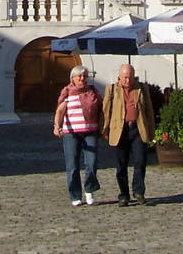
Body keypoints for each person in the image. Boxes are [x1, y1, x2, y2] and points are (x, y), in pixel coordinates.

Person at [101, 64, 155, 207]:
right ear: (119, 76)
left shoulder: (141, 88)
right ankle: (124, 195)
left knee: (140, 161)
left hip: (138, 129)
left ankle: (138, 192)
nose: (127, 80)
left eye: (130, 77)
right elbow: (106, 111)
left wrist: (151, 130)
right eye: (125, 78)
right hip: (120, 130)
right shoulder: (112, 89)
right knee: (121, 165)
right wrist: (104, 130)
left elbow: (149, 110)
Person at [54, 65, 102, 207]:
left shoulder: (92, 91)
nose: (82, 78)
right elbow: (60, 111)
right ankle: (75, 195)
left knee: (92, 163)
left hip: (90, 131)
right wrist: (57, 126)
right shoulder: (68, 92)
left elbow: (102, 108)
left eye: (85, 76)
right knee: (72, 165)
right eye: (79, 76)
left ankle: (89, 190)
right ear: (72, 78)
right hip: (71, 133)